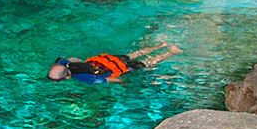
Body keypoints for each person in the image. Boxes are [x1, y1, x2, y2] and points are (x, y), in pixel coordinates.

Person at [47, 42, 183, 84]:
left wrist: (122, 82)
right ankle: (160, 45)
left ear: (67, 77)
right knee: (134, 54)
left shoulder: (83, 78)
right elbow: (75, 58)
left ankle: (171, 51)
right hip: (109, 59)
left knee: (147, 63)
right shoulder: (66, 63)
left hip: (119, 67)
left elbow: (109, 79)